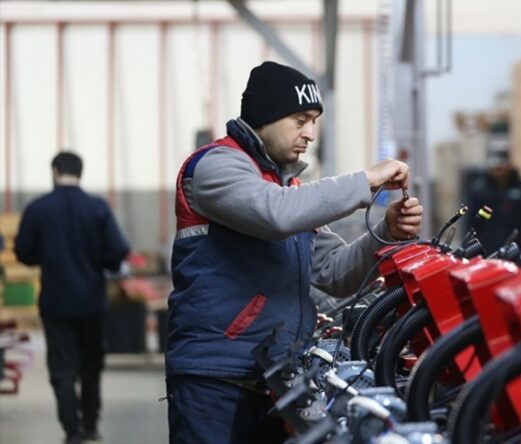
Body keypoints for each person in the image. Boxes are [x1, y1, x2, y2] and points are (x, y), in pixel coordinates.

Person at [165, 61, 423, 443]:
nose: (311, 134)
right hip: (216, 378)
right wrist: (364, 181)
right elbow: (276, 214)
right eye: (301, 120)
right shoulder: (216, 167)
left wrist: (385, 231)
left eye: (315, 121)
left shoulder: (290, 189)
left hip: (275, 377)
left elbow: (335, 273)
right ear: (265, 118)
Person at [14, 152, 131, 444]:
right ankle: (91, 425)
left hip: (55, 303)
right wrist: (103, 263)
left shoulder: (38, 209)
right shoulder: (98, 208)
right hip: (92, 302)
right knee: (91, 365)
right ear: (81, 172)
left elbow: (24, 252)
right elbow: (118, 251)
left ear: (54, 171)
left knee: (62, 367)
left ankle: (72, 430)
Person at [465, 139, 521, 254]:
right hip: (487, 250)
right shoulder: (479, 190)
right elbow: (470, 222)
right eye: (496, 167)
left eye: (502, 166)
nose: (499, 170)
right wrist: (468, 248)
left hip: (517, 249)